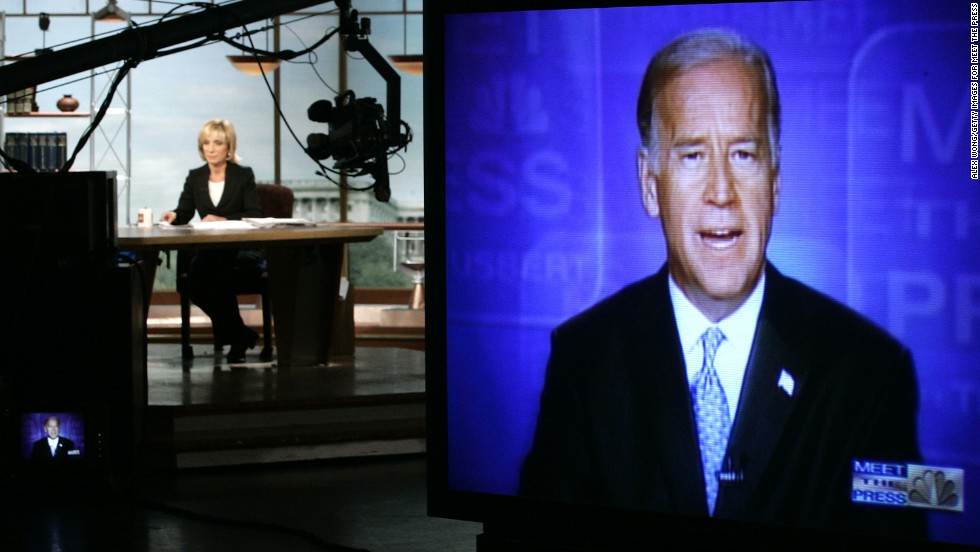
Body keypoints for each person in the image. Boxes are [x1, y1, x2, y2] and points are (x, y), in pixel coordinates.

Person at [518, 29, 925, 538]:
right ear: (650, 185)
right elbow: (537, 534)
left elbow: (904, 529)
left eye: (743, 155)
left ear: (774, 182)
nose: (721, 193)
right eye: (692, 155)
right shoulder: (584, 356)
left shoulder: (872, 369)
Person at [161, 119, 262, 363]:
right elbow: (184, 212)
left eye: (217, 142)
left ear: (229, 146)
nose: (211, 148)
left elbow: (254, 213)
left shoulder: (243, 175)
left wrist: (223, 218)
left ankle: (238, 337)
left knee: (211, 276)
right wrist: (173, 216)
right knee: (202, 281)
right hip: (211, 249)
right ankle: (240, 334)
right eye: (206, 143)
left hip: (239, 247)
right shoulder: (195, 177)